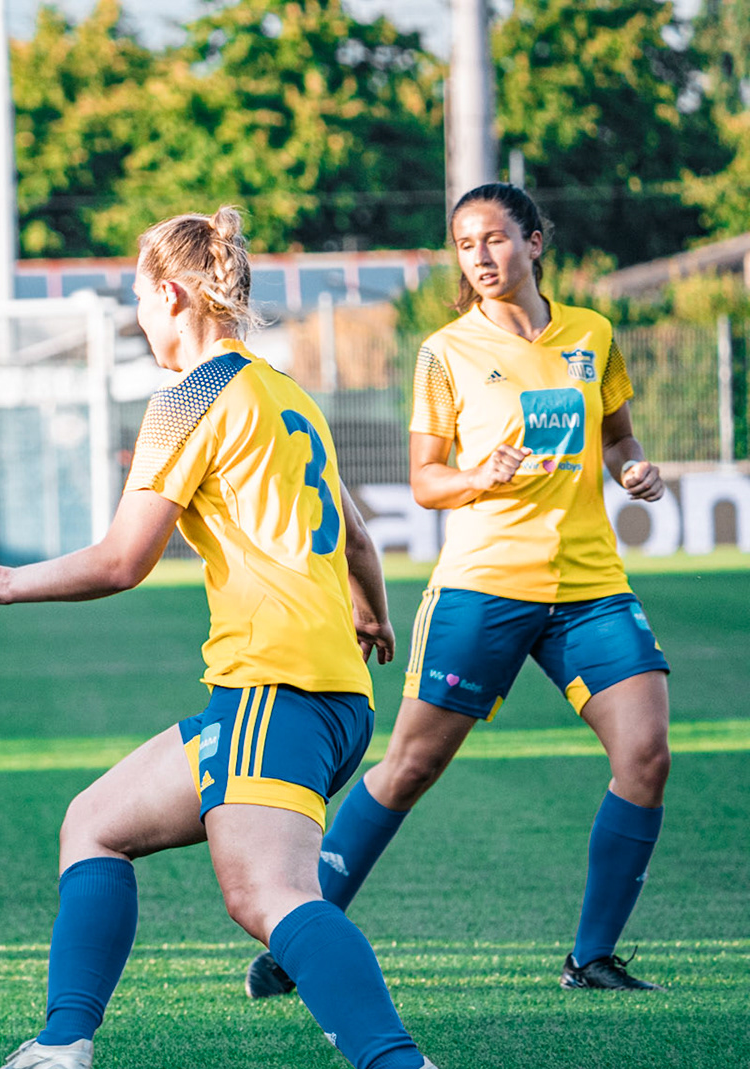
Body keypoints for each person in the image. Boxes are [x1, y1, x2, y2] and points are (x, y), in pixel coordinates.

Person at [0, 208, 457, 1069]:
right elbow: (359, 534)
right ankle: (61, 1046)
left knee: (265, 895)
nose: (136, 312)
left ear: (171, 292)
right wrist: (369, 610)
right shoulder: (285, 393)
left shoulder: (189, 395)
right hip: (321, 689)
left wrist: (9, 585)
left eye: (137, 291)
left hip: (272, 684)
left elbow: (123, 559)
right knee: (95, 823)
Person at [243, 184, 672, 999]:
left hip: (591, 585)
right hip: (485, 588)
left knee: (645, 757)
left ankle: (592, 959)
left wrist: (634, 470)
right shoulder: (446, 351)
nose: (480, 257)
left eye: (496, 239)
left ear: (535, 242)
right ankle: (300, 930)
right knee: (408, 767)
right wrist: (479, 474)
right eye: (466, 244)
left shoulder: (593, 335)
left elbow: (617, 435)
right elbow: (426, 480)